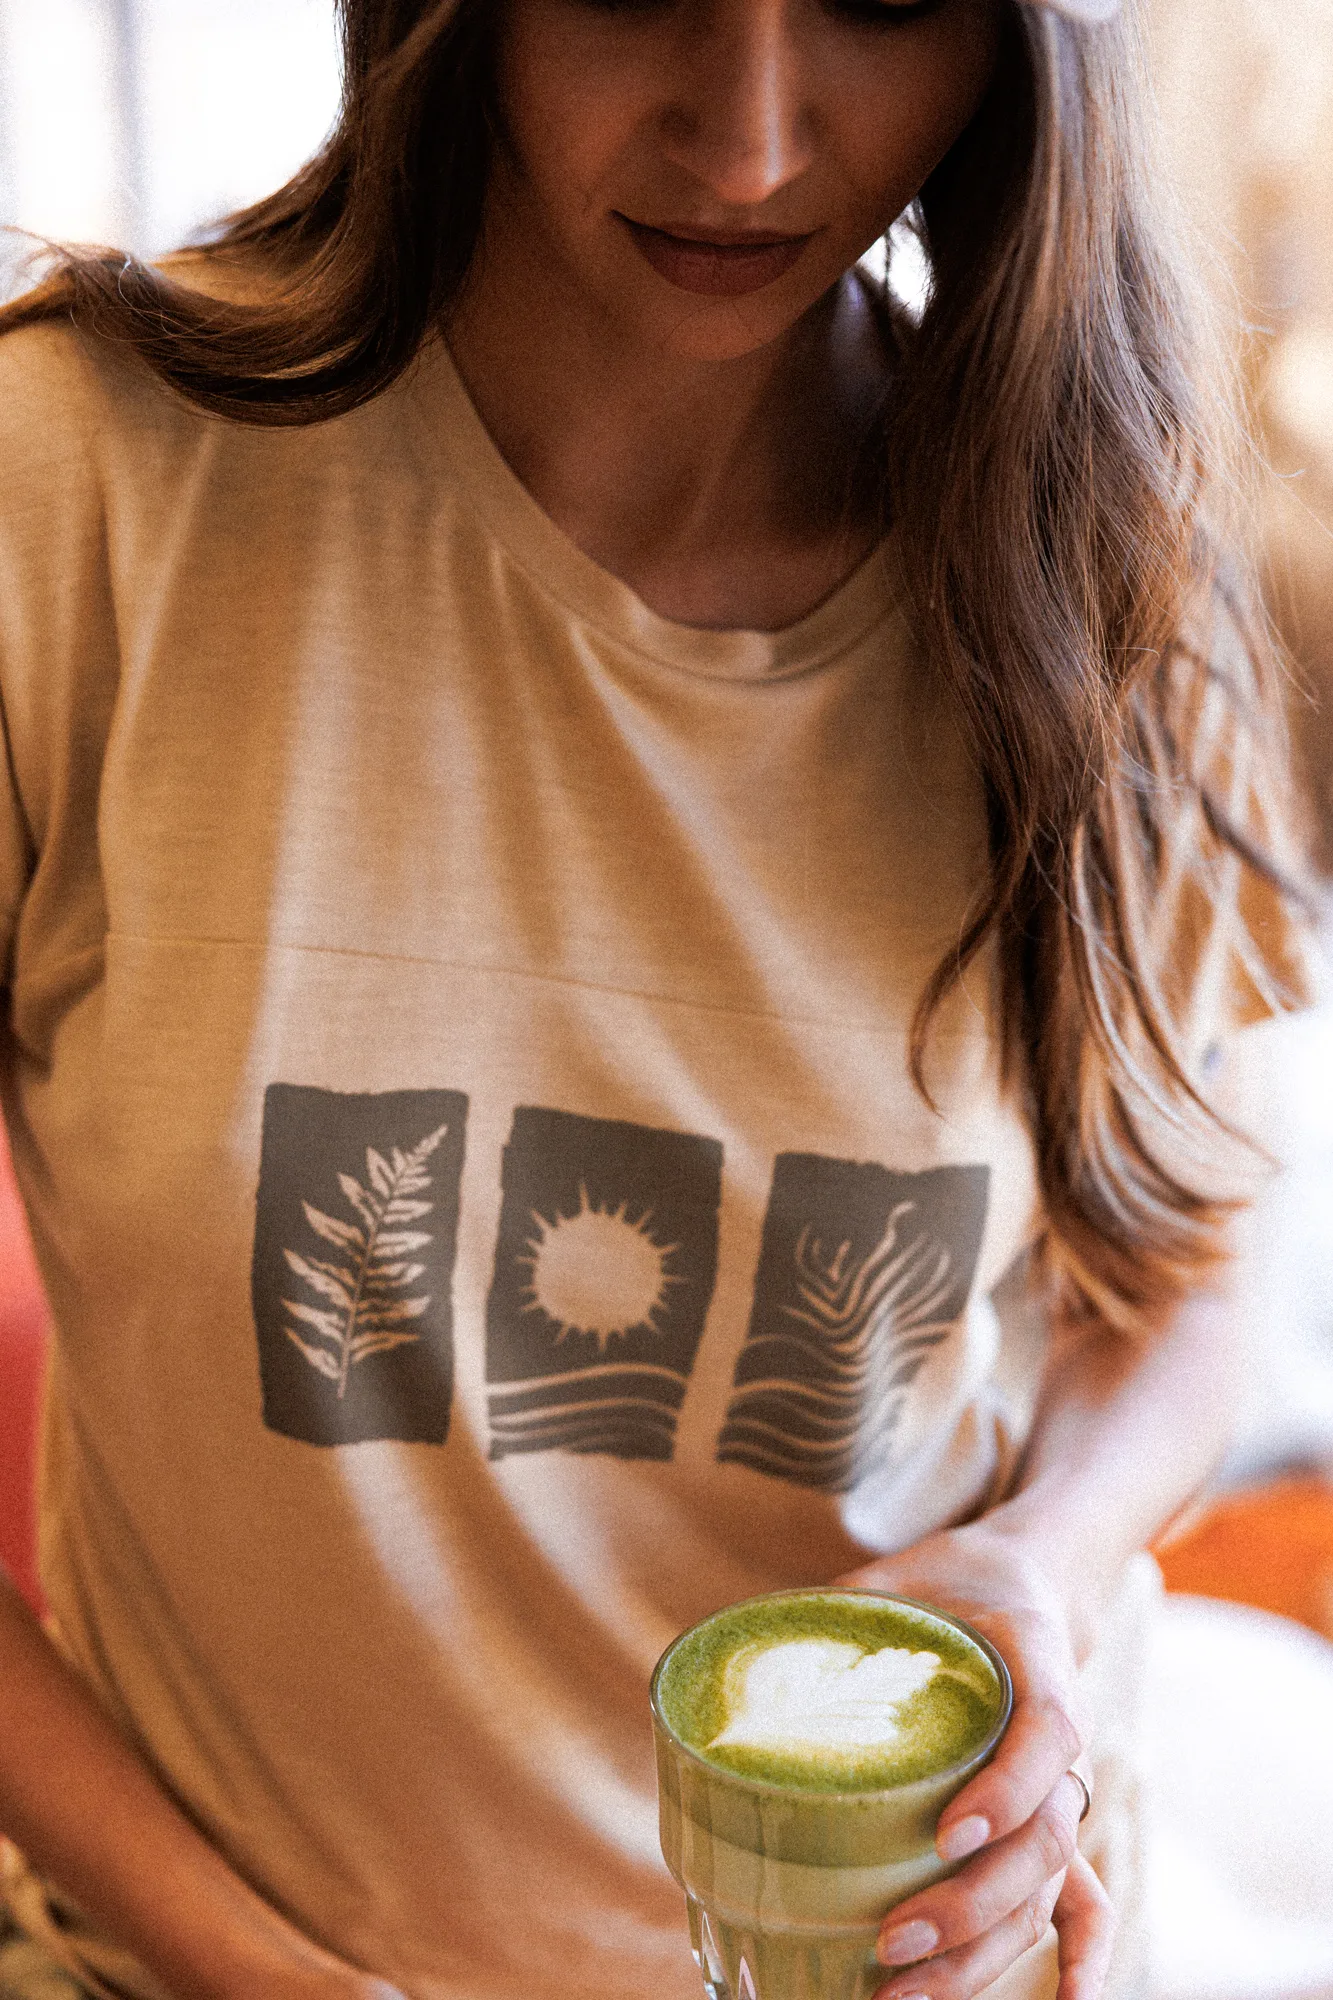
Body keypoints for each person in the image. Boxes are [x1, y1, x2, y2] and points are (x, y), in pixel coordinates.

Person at [0, 0, 1316, 1995]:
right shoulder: (70, 490)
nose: (755, 140)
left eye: (881, 0)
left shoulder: (1101, 551)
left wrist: (1042, 1563)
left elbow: (1183, 1266)